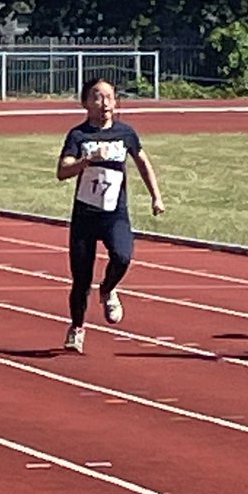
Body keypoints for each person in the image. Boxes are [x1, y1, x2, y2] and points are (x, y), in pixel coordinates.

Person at [56, 77, 164, 354]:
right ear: (85, 103)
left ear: (116, 103)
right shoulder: (78, 136)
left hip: (115, 212)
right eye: (97, 97)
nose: (104, 103)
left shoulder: (125, 133)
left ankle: (108, 288)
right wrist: (86, 161)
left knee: (123, 256)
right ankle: (77, 328)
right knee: (80, 279)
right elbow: (62, 171)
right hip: (85, 215)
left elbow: (142, 162)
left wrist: (156, 196)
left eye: (109, 97)